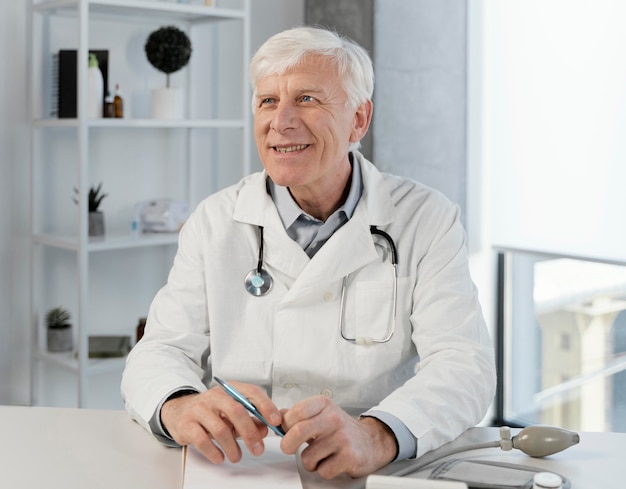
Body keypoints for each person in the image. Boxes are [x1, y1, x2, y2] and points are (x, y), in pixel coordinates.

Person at [121, 26, 496, 480]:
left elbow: (464, 366)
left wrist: (376, 435)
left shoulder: (427, 219)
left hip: (372, 466)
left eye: (307, 99)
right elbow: (160, 349)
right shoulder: (216, 221)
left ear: (359, 119)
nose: (281, 122)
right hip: (242, 464)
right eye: (267, 102)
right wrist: (180, 406)